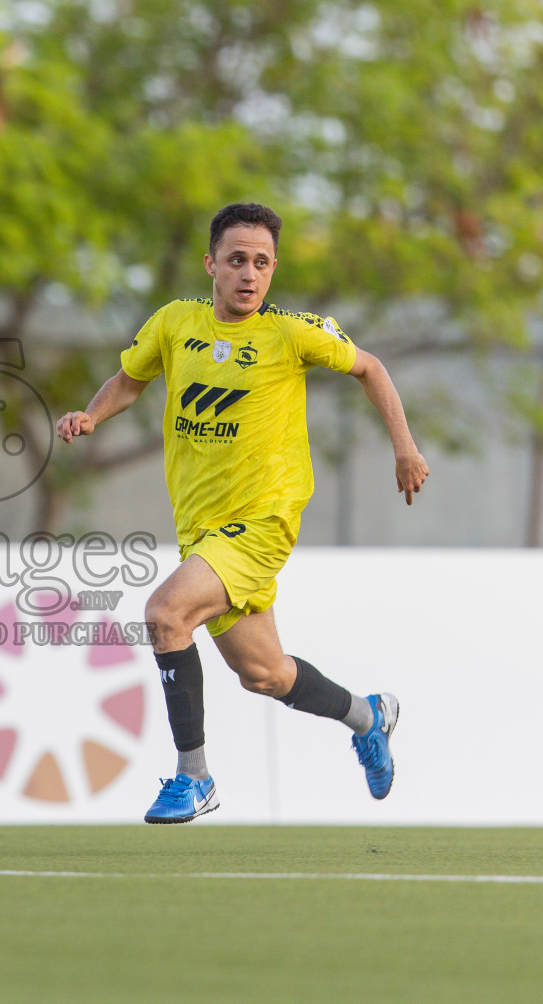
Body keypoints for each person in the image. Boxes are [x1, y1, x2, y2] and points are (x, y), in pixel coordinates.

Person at [56, 202, 429, 823]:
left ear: (273, 268)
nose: (249, 274)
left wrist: (405, 447)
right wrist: (92, 414)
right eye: (236, 261)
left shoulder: (291, 333)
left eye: (261, 263)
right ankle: (369, 716)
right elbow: (130, 378)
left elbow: (370, 366)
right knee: (265, 674)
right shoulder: (176, 323)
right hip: (203, 531)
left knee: (165, 613)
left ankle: (193, 777)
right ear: (211, 265)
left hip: (262, 523)